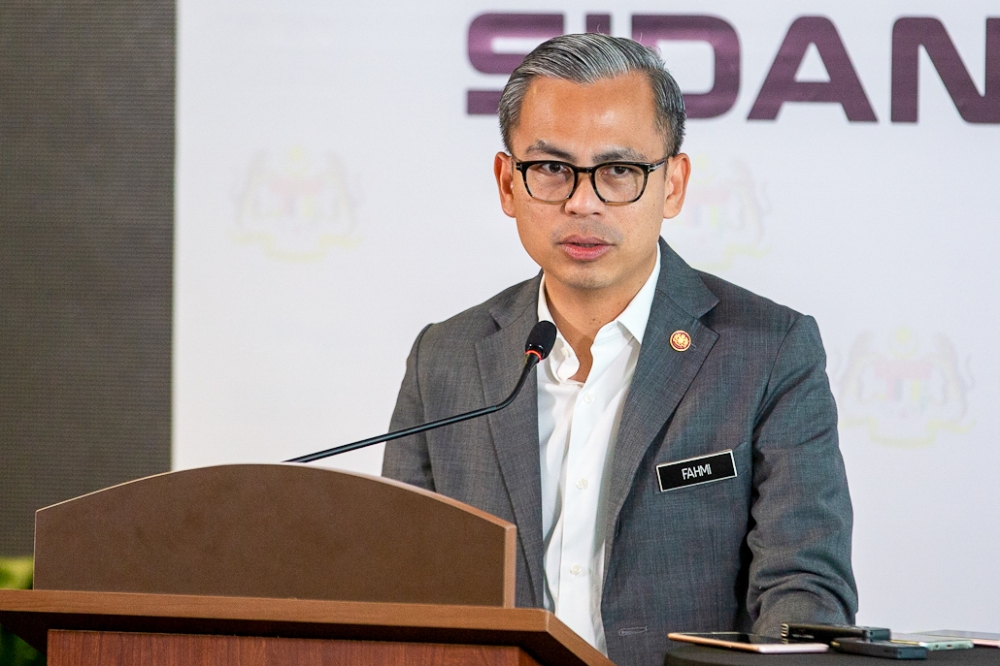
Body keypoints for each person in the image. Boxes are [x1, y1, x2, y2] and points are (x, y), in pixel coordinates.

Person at [382, 33, 857, 666]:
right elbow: (398, 591)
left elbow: (805, 595)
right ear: (507, 182)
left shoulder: (769, 353)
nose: (583, 202)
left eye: (619, 171)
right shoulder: (446, 357)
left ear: (673, 185)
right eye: (551, 168)